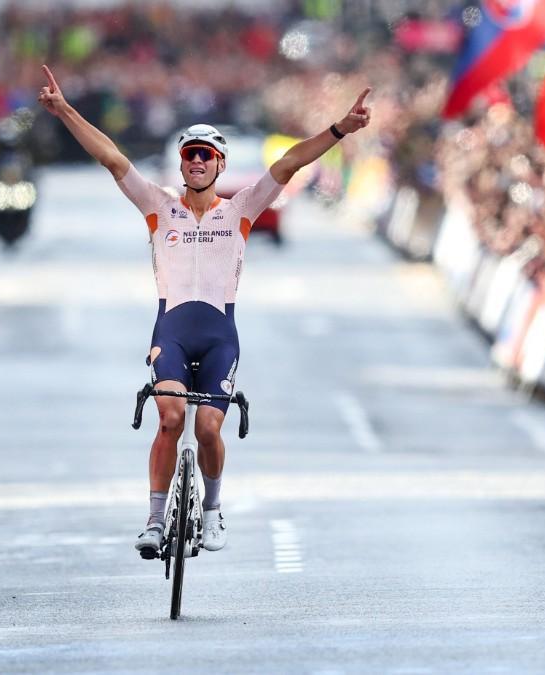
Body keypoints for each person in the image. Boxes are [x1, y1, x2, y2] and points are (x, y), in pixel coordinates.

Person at [36, 65, 372, 557]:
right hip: (169, 332)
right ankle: (154, 519)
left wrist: (341, 128)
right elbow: (111, 157)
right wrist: (65, 110)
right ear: (180, 163)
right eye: (189, 154)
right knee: (170, 418)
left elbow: (290, 163)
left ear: (219, 165)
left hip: (219, 337)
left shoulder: (240, 210)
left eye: (206, 155)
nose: (196, 161)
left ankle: (212, 512)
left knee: (209, 427)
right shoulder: (158, 205)